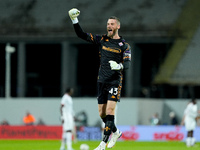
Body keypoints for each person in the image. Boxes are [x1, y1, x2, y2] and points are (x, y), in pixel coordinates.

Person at [68, 8, 131, 150]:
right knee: (102, 114)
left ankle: (102, 144)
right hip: (101, 81)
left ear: (118, 26)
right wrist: (74, 20)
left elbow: (127, 65)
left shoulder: (124, 46)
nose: (109, 26)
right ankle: (116, 132)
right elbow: (81, 35)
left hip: (115, 81)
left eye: (112, 24)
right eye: (108, 24)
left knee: (110, 111)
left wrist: (119, 66)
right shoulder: (102, 40)